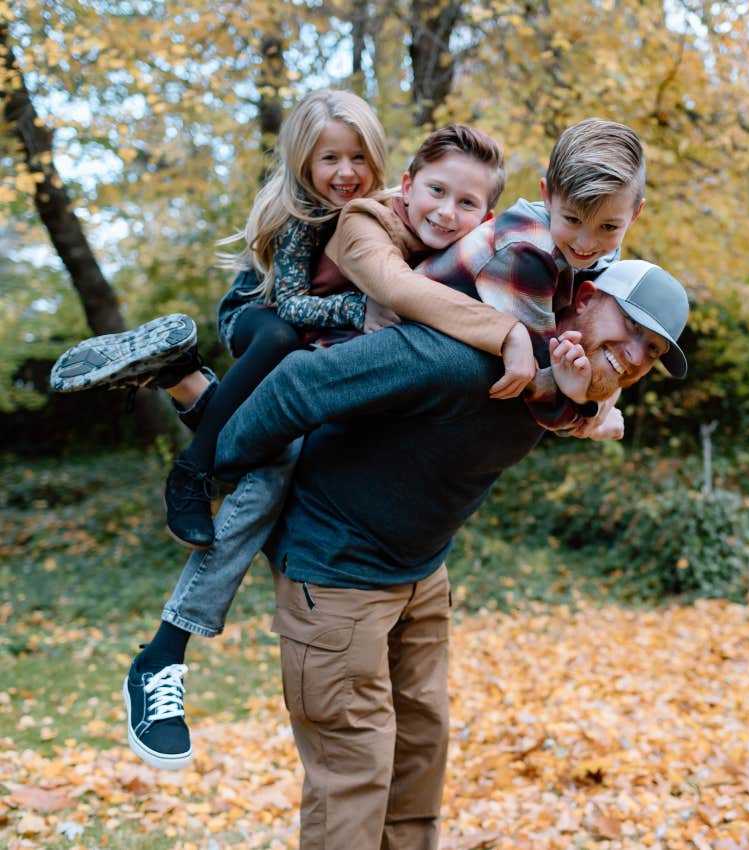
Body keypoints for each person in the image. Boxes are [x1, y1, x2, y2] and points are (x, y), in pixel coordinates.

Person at [210, 258, 690, 850]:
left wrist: (594, 407)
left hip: (421, 574)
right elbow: (299, 384)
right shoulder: (462, 355)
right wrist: (209, 474)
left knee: (418, 761)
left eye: (653, 350)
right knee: (353, 782)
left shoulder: (561, 385)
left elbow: (588, 402)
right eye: (632, 328)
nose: (636, 356)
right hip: (335, 576)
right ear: (585, 297)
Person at [50, 88, 388, 550]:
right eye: (330, 158)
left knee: (262, 432)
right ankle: (191, 472)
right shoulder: (301, 217)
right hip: (255, 313)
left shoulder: (379, 213)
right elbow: (290, 305)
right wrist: (357, 310)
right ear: (305, 161)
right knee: (281, 336)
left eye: (358, 157)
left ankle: (178, 374)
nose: (346, 172)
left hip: (309, 328)